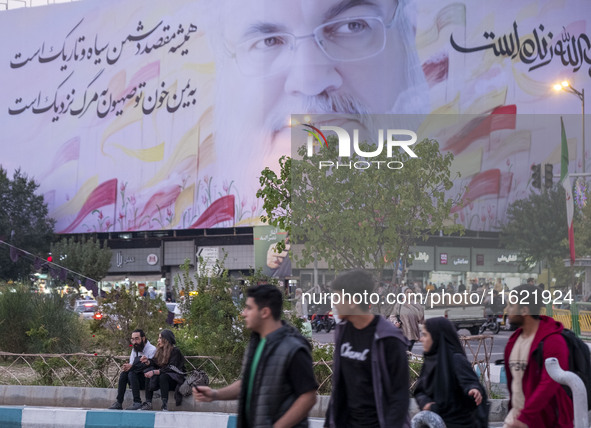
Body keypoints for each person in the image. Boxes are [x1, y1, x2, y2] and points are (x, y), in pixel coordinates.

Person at [193, 284, 318, 427]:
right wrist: (215, 395)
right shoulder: (257, 343)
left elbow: (308, 396)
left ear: (265, 312)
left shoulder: (293, 347)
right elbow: (248, 383)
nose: (243, 313)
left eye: (249, 308)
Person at [325, 270, 410, 428]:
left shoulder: (389, 338)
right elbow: (339, 386)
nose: (334, 303)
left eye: (337, 297)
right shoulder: (342, 332)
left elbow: (400, 396)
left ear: (353, 301)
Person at [503, 284, 573, 428]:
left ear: (524, 310)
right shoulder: (513, 341)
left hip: (545, 422)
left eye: (511, 305)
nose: (507, 309)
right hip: (516, 420)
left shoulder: (552, 341)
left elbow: (548, 384)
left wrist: (525, 417)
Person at [414, 317, 488, 428]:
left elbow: (470, 382)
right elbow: (420, 391)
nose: (421, 339)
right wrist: (426, 403)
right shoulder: (430, 360)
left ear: (436, 337)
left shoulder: (455, 359)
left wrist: (473, 389)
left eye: (425, 335)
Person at [108, 329, 156, 410]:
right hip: (135, 379)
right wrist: (127, 367)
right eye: (132, 339)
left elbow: (150, 366)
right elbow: (132, 364)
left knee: (132, 372)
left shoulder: (152, 349)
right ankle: (119, 402)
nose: (134, 342)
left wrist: (132, 367)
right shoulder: (135, 350)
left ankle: (137, 402)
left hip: (148, 381)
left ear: (143, 338)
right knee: (124, 374)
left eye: (137, 339)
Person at [140, 329, 186, 411]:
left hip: (175, 380)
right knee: (149, 371)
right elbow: (155, 362)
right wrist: (147, 361)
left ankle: (164, 405)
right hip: (163, 379)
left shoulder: (175, 351)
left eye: (160, 338)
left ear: (166, 339)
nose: (158, 340)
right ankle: (148, 402)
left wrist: (155, 372)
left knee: (163, 376)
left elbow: (171, 368)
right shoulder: (160, 351)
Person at [389, 285, 424, 351]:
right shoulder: (399, 305)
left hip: (413, 333)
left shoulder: (417, 305)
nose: (409, 294)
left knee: (409, 351)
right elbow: (392, 316)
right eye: (407, 292)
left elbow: (420, 318)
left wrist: (410, 306)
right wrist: (395, 322)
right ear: (404, 294)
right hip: (402, 332)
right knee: (404, 351)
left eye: (411, 292)